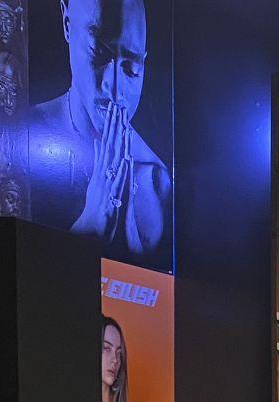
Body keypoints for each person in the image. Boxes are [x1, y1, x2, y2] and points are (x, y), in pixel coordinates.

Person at [22, 0, 172, 259]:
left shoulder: (154, 180)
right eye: (98, 52)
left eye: (132, 69)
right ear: (67, 23)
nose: (113, 88)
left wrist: (130, 248)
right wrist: (87, 229)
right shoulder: (22, 133)